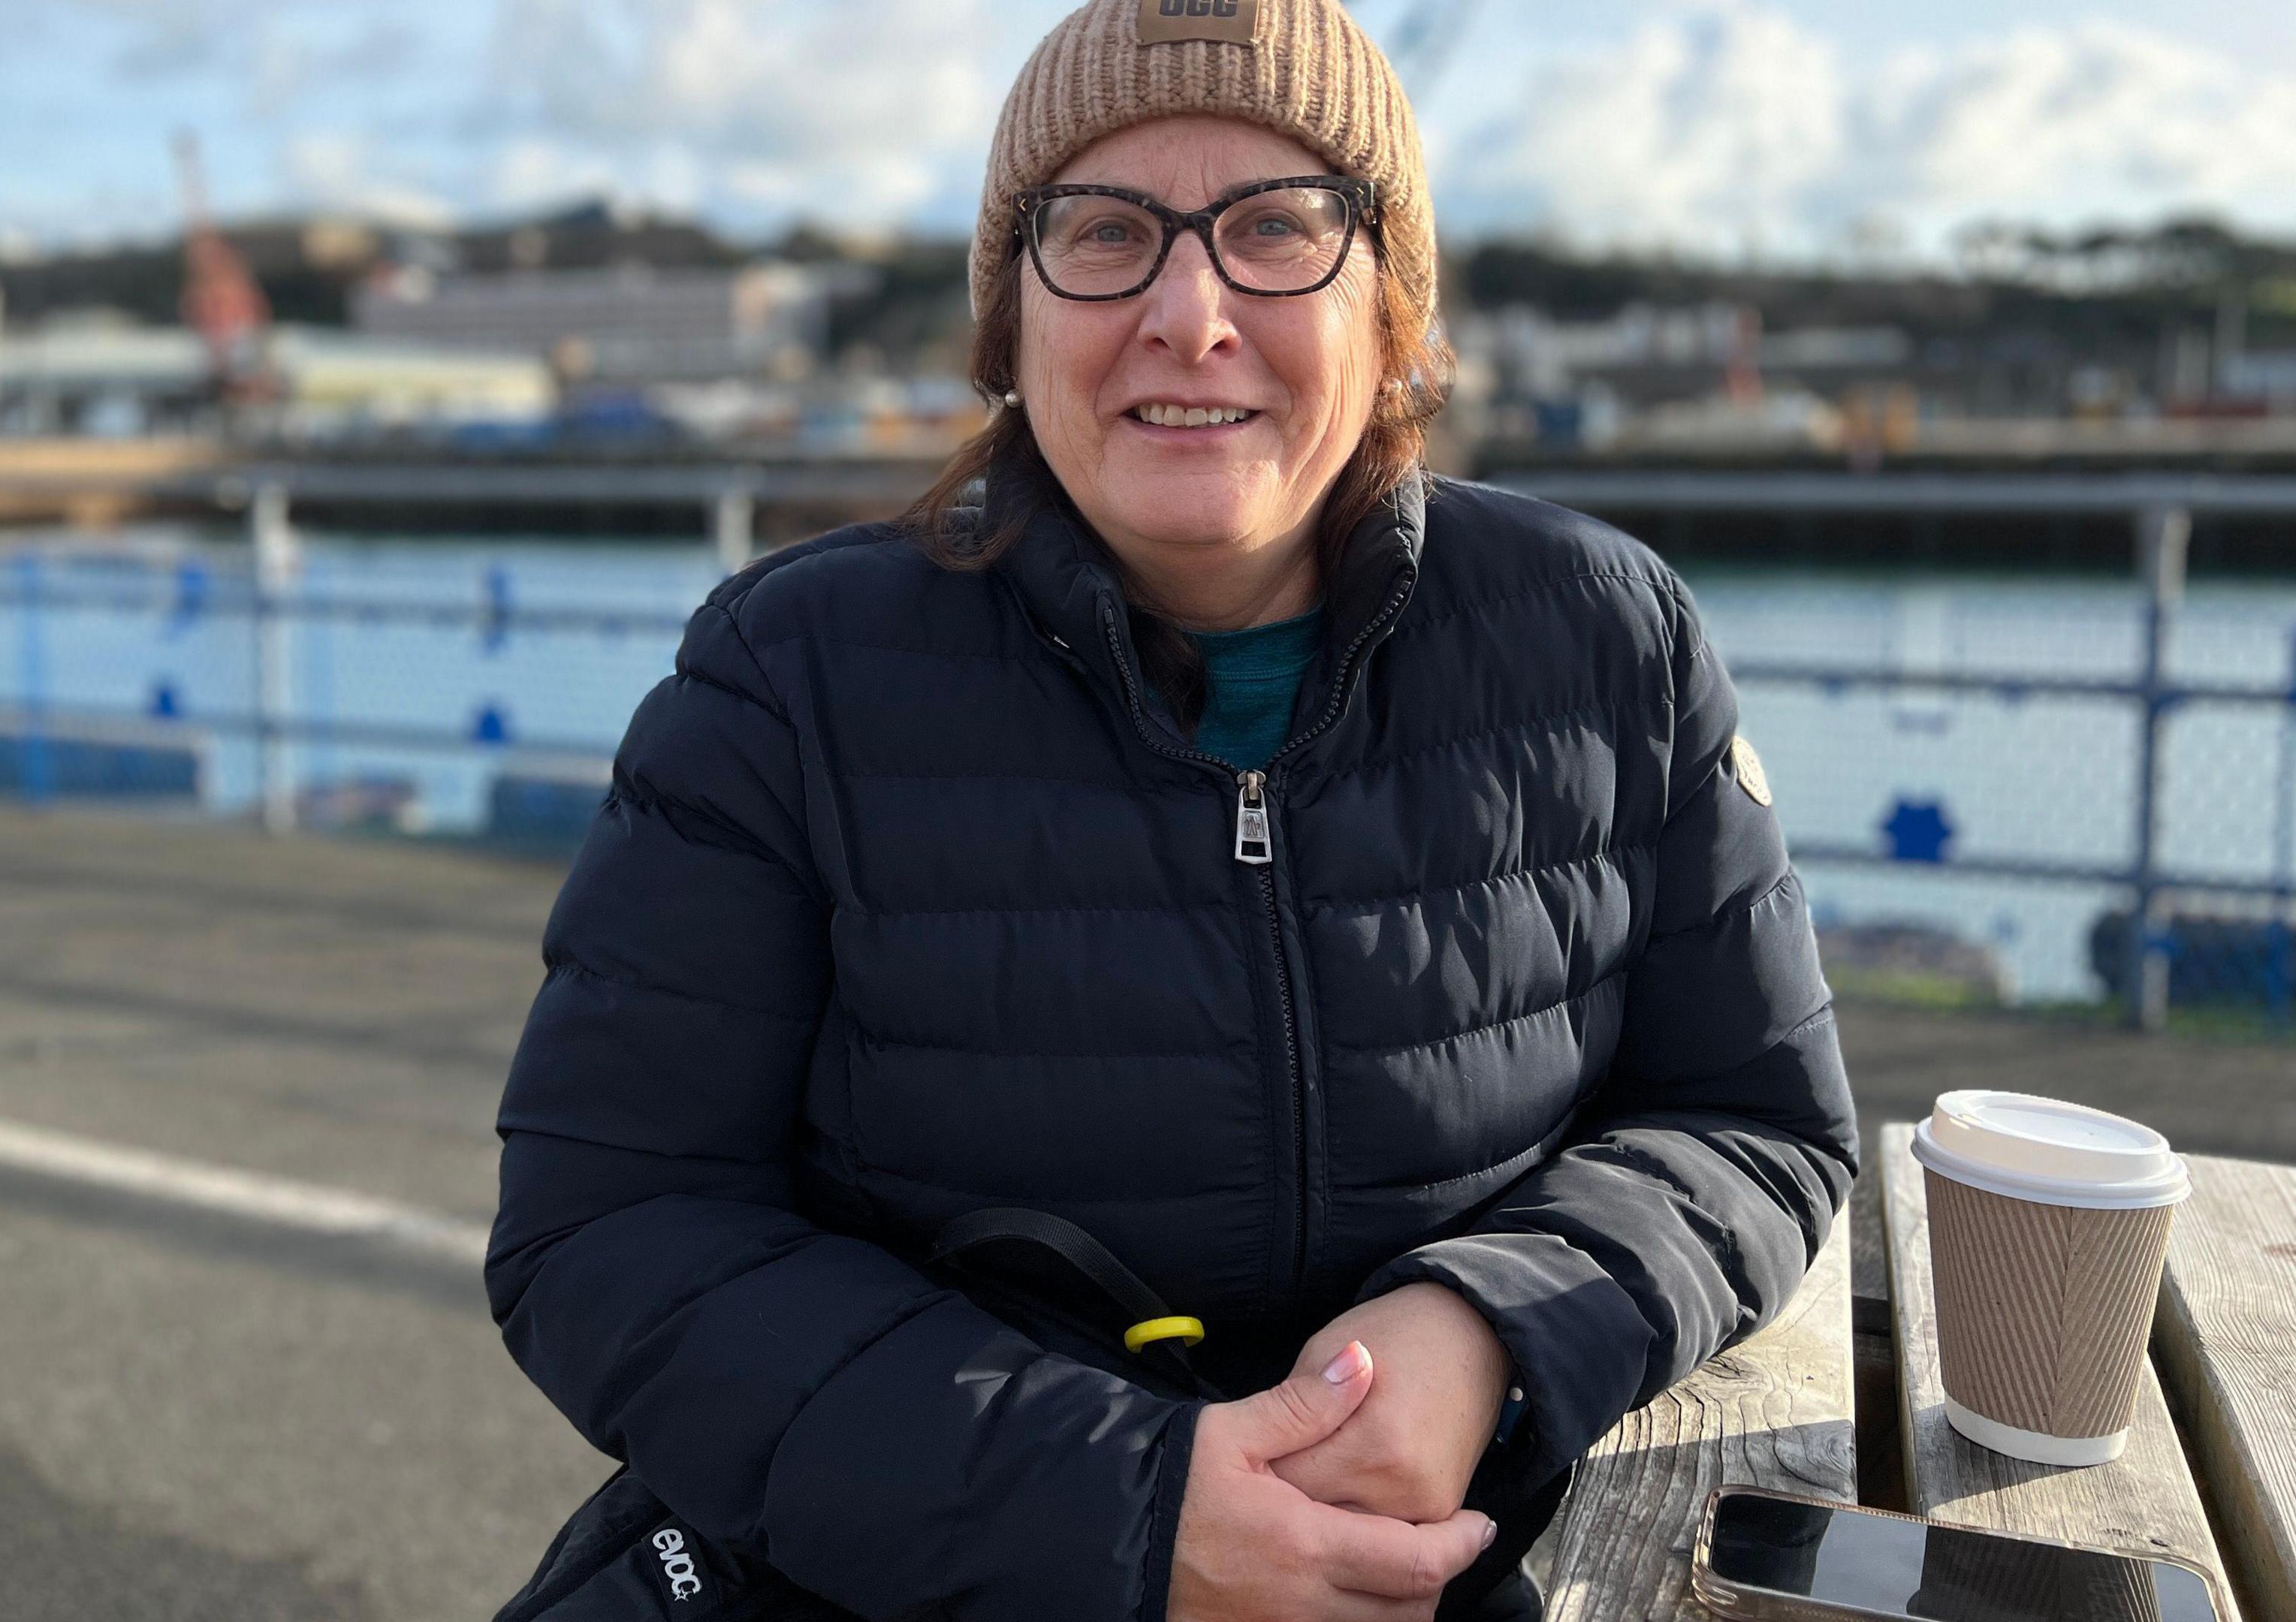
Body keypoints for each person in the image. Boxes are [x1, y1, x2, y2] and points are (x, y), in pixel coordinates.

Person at [487, 2, 1859, 1617]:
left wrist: (1487, 1328)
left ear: (1392, 306)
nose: (1189, 312)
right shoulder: (789, 678)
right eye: (1107, 233)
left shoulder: (1610, 639)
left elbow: (1754, 1118)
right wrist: (1121, 1510)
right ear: (1010, 322)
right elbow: (612, 1226)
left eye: (1279, 228)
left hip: (1440, 1559)